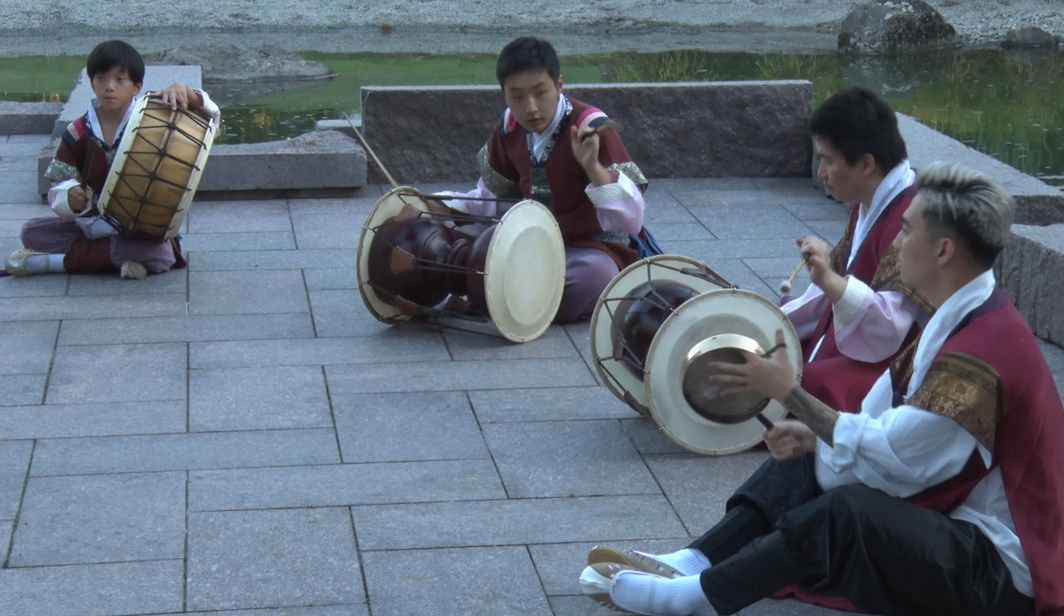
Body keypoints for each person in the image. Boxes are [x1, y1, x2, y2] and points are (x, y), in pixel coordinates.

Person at [579, 162, 1064, 616]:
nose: (894, 244)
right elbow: (883, 423)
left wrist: (791, 393)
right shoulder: (962, 315)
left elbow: (898, 459)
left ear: (944, 251)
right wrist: (815, 433)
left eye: (906, 230)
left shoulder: (982, 351)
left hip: (1002, 570)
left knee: (846, 512)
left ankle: (699, 597)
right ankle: (697, 559)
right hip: (960, 521)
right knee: (807, 452)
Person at [439, 36, 658, 323]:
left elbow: (631, 220)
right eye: (517, 96)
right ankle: (503, 299)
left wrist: (592, 166)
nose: (530, 107)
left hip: (588, 248)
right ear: (504, 94)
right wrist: (440, 208)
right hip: (530, 243)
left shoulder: (590, 127)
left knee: (595, 277)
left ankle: (490, 302)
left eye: (540, 93)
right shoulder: (509, 128)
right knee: (456, 238)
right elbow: (491, 201)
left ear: (559, 86)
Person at [4, 39, 221, 279]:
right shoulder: (78, 131)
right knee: (32, 233)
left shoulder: (153, 119)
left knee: (159, 251)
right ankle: (122, 259)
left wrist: (187, 91)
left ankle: (55, 263)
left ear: (137, 86)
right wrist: (71, 196)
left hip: (140, 228)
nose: (109, 87)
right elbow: (59, 185)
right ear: (92, 83)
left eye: (120, 80)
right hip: (92, 224)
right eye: (101, 78)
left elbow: (211, 119)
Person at [781, 87, 934, 412]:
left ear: (866, 164)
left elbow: (890, 327)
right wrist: (771, 321)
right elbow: (837, 290)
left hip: (897, 364)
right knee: (771, 349)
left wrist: (830, 280)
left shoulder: (910, 221)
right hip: (859, 341)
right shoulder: (869, 202)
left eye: (827, 160)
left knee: (792, 384)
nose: (821, 172)